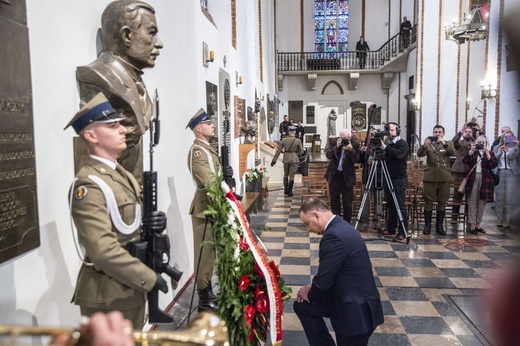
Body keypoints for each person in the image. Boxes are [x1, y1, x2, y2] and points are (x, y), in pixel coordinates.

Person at [64, 93, 168, 329]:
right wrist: (148, 278)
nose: (123, 130)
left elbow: (129, 223)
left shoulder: (122, 175)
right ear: (91, 135)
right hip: (109, 294)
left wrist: (152, 222)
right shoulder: (88, 184)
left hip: (129, 288)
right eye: (113, 125)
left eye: (120, 123)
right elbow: (102, 250)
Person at [76, 0, 163, 178]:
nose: (159, 43)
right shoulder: (99, 77)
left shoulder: (137, 81)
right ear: (127, 36)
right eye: (151, 33)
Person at [294, 198, 384, 346]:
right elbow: (330, 274)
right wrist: (312, 290)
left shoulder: (333, 236)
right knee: (302, 306)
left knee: (304, 302)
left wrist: (309, 294)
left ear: (316, 216)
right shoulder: (342, 225)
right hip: (359, 302)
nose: (308, 229)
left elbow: (324, 281)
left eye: (307, 223)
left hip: (355, 313)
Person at [186, 108, 230, 312]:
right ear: (198, 128)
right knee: (204, 255)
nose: (212, 125)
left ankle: (210, 292)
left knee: (212, 254)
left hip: (214, 207)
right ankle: (204, 297)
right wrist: (227, 194)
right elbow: (210, 181)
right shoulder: (198, 151)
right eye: (208, 123)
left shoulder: (207, 148)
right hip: (205, 209)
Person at [417, 125, 455, 235]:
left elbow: (453, 153)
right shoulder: (429, 144)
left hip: (444, 176)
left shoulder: (448, 143)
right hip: (430, 176)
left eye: (439, 132)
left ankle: (439, 226)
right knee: (428, 201)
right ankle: (427, 226)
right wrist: (424, 145)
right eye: (435, 132)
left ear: (443, 133)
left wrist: (444, 143)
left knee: (442, 201)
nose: (437, 134)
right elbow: (420, 154)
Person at [378, 122, 409, 240]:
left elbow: (399, 154)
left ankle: (403, 231)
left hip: (399, 179)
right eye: (387, 130)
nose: (389, 132)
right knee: (390, 205)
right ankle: (391, 228)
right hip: (388, 177)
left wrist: (385, 148)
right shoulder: (387, 144)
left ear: (398, 131)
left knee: (399, 205)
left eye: (391, 130)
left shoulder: (402, 143)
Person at [463, 135, 498, 234]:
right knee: (472, 202)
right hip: (473, 179)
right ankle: (472, 225)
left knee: (482, 203)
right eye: (480, 142)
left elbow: (493, 164)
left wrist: (487, 153)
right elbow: (465, 161)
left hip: (485, 180)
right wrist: (471, 151)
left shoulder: (490, 153)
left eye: (483, 142)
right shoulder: (473, 153)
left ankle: (478, 224)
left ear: (487, 144)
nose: (481, 144)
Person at [325, 129, 360, 222]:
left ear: (349, 137)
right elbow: (328, 155)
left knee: (347, 202)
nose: (342, 139)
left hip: (347, 177)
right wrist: (336, 147)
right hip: (334, 175)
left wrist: (351, 149)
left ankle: (346, 222)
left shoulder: (354, 143)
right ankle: (336, 222)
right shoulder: (334, 142)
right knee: (334, 201)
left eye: (344, 138)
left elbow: (356, 160)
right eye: (341, 137)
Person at [493, 130, 519, 228]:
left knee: (509, 198)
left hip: (511, 173)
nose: (507, 139)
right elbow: (494, 159)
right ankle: (499, 219)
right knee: (499, 197)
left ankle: (508, 220)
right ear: (502, 138)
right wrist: (501, 151)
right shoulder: (497, 147)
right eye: (505, 137)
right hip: (500, 172)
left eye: (509, 137)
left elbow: (512, 157)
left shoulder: (514, 148)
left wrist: (515, 147)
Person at [271, 126, 304, 197]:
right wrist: (296, 153)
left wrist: (274, 160)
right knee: (292, 176)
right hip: (294, 158)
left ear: (288, 132)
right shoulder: (298, 141)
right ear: (294, 132)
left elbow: (278, 151)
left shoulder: (283, 140)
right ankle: (290, 192)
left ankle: (286, 190)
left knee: (286, 174)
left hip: (286, 158)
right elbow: (301, 151)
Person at [451, 124, 474, 222]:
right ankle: (454, 216)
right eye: (466, 131)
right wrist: (460, 132)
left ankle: (469, 217)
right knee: (457, 195)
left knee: (470, 196)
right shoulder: (459, 142)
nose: (468, 133)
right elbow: (453, 141)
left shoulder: (475, 143)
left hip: (471, 171)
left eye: (470, 132)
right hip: (460, 171)